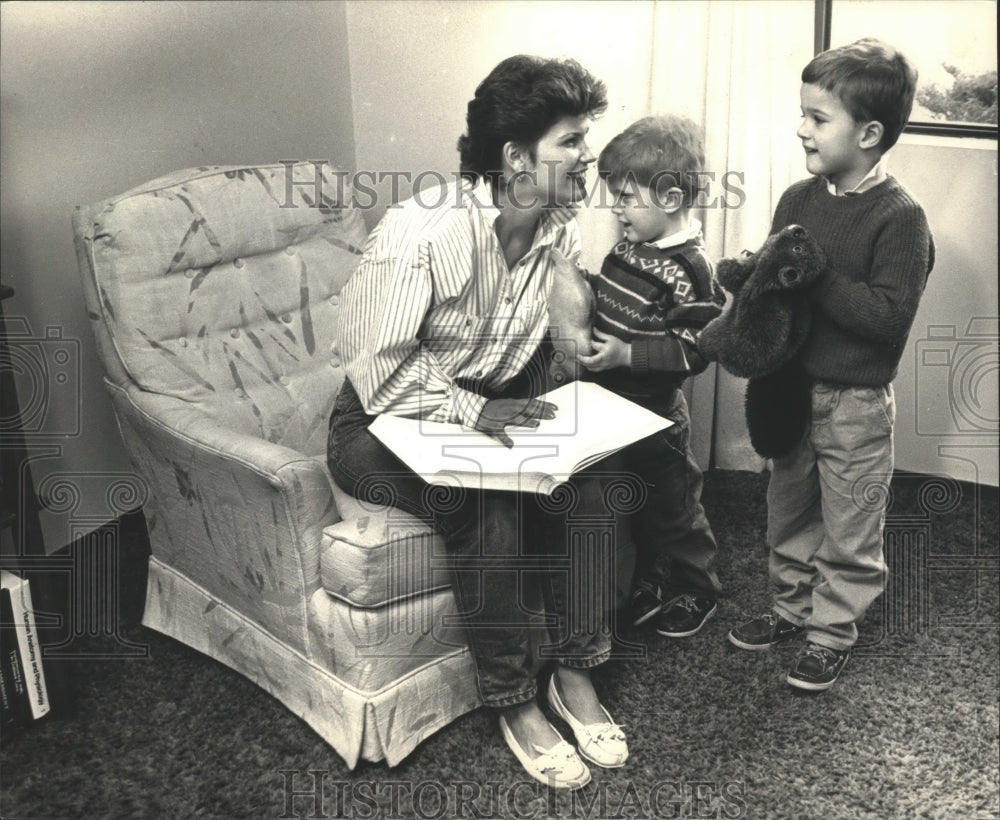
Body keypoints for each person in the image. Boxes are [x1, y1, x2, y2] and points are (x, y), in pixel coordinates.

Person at [327, 55, 626, 789]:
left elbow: (549, 332)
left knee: (589, 477)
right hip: (380, 419)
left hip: (491, 391)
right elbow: (377, 370)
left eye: (586, 135)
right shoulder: (421, 230)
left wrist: (575, 372)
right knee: (481, 501)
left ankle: (577, 674)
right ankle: (515, 699)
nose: (587, 153)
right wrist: (472, 412)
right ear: (516, 159)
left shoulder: (559, 224)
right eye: (570, 140)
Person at [727, 38, 934, 691]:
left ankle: (830, 631)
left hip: (855, 405)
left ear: (869, 133)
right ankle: (791, 610)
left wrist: (814, 277)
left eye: (818, 119)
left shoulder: (900, 218)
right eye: (802, 114)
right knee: (786, 508)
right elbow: (773, 285)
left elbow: (885, 319)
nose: (801, 128)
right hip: (791, 388)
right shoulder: (796, 200)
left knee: (850, 525)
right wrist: (744, 282)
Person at [574, 114, 726, 639]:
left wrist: (626, 356)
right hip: (611, 412)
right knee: (630, 503)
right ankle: (650, 579)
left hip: (655, 416)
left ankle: (699, 587)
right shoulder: (626, 249)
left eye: (624, 197)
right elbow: (615, 300)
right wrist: (581, 283)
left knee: (674, 508)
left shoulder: (692, 271)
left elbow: (695, 349)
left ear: (666, 198)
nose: (615, 208)